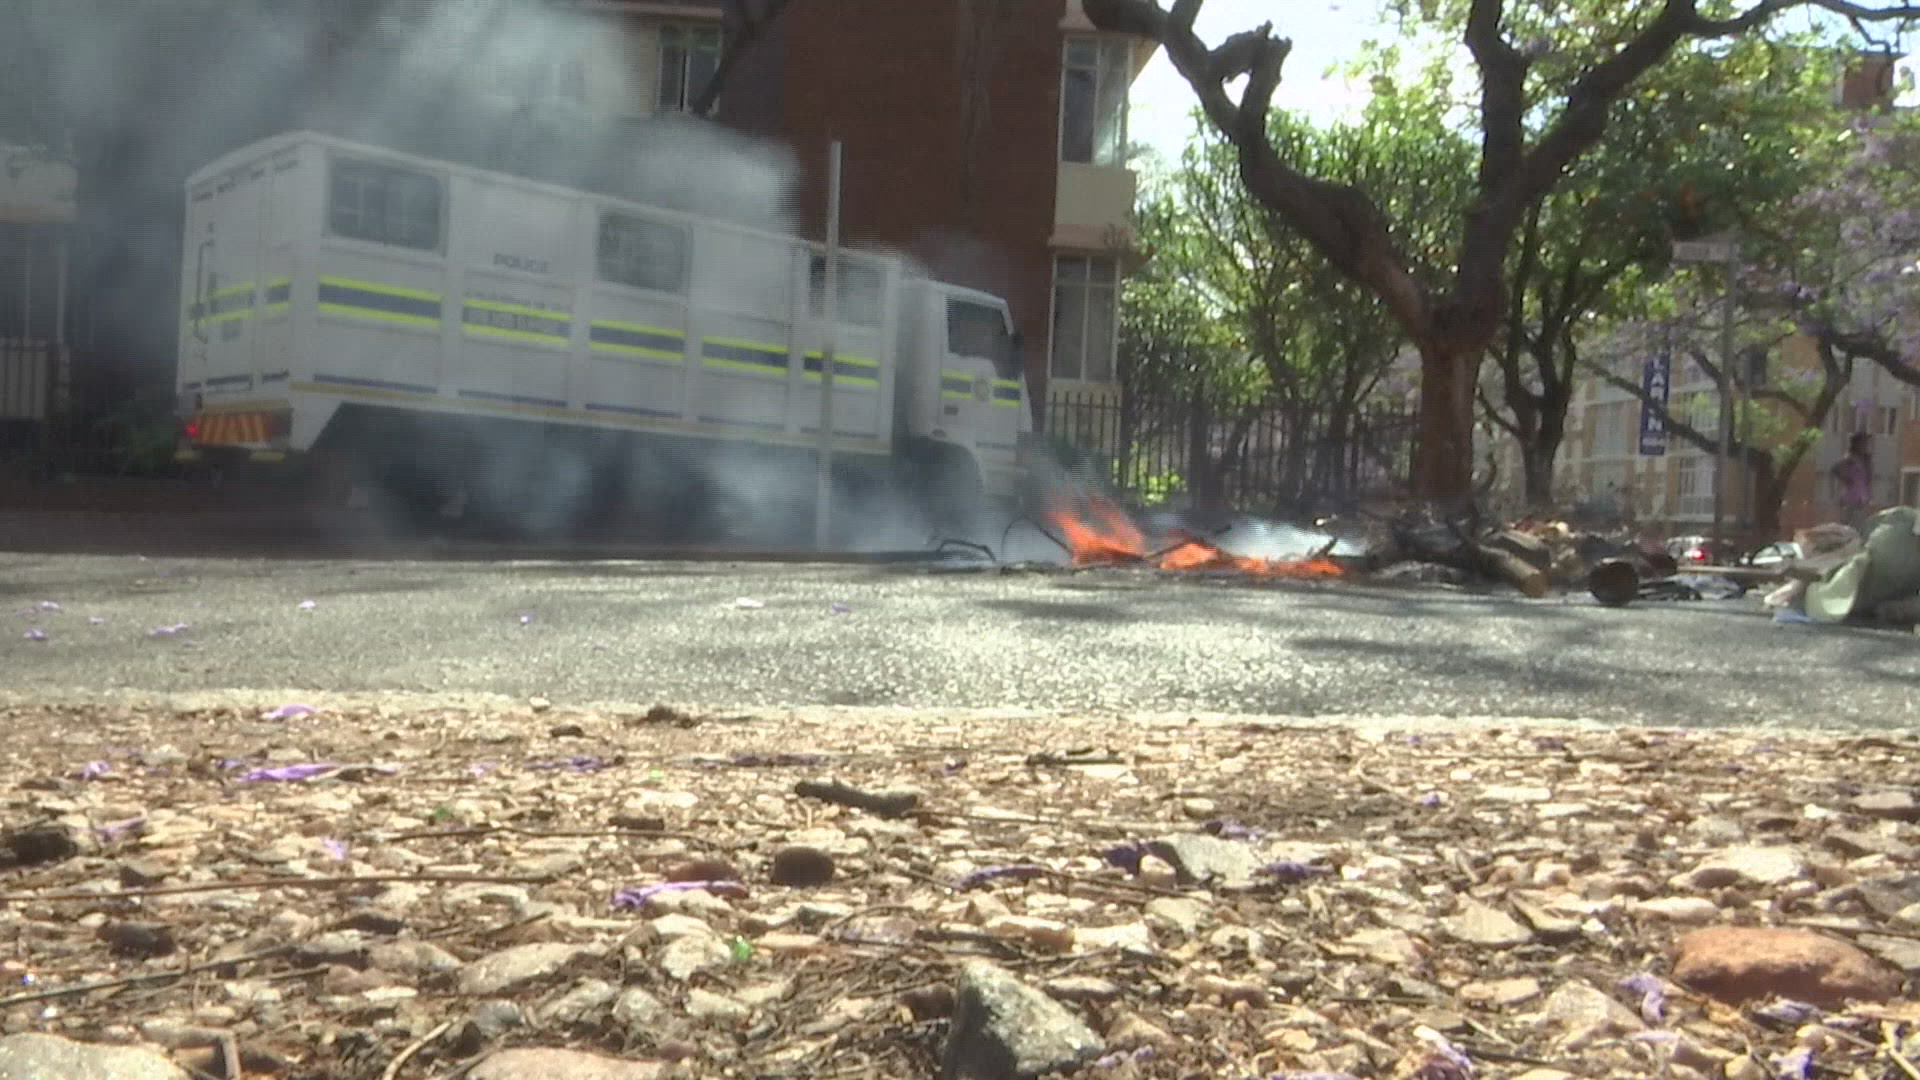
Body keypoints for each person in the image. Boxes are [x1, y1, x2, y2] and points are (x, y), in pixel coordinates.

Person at [1830, 432, 1875, 534]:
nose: (1865, 446)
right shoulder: (1850, 458)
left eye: (1866, 443)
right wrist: (1845, 479)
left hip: (1862, 499)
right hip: (1850, 499)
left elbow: (1868, 481)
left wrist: (1870, 496)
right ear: (1856, 444)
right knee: (1848, 527)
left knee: (1861, 527)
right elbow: (1835, 469)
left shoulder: (1866, 461)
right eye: (1863, 443)